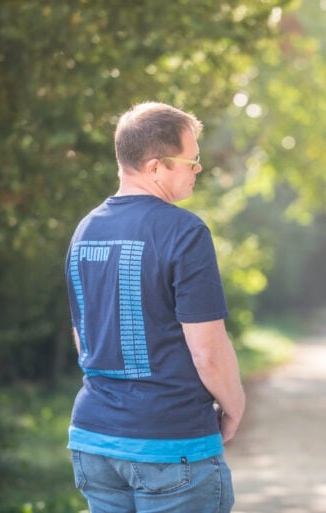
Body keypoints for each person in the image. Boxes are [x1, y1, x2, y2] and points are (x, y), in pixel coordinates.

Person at [64, 101, 245, 513]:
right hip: (170, 445)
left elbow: (84, 334)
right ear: (155, 166)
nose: (198, 169)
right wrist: (234, 408)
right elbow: (208, 352)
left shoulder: (85, 230)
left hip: (94, 440)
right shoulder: (185, 231)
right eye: (191, 161)